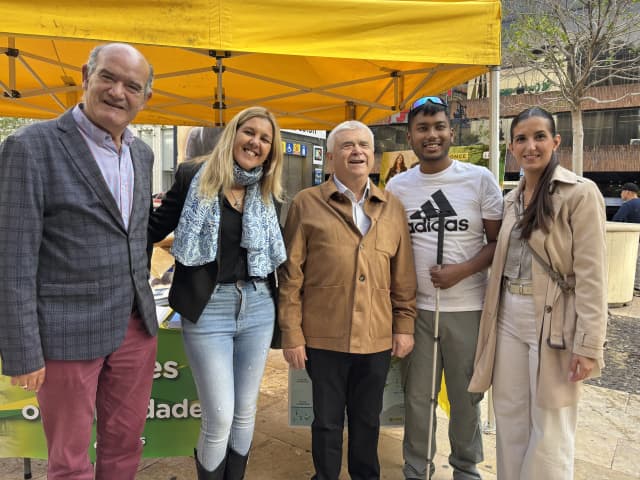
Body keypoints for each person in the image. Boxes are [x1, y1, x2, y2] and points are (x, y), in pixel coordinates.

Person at [0, 43, 157, 479]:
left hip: (135, 326)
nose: (117, 92)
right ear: (86, 76)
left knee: (125, 441)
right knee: (69, 460)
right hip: (65, 330)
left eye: (132, 85)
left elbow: (133, 238)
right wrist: (23, 351)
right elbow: (12, 259)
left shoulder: (141, 155)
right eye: (108, 77)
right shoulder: (30, 147)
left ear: (145, 98)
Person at [469, 107, 608, 479]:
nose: (530, 146)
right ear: (511, 146)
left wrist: (589, 343)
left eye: (539, 137)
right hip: (508, 316)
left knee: (551, 424)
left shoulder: (580, 193)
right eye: (521, 139)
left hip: (554, 320)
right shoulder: (512, 199)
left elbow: (592, 276)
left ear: (555, 142)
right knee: (511, 416)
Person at [148, 106, 285, 479]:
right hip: (209, 308)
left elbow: (278, 256)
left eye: (265, 138)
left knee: (244, 411)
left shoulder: (268, 189)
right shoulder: (194, 174)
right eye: (249, 132)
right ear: (233, 134)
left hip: (258, 304)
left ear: (271, 150)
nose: (255, 142)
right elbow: (154, 227)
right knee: (220, 414)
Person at [278, 120, 417, 480]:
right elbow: (291, 275)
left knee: (368, 421)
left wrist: (404, 326)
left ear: (373, 155)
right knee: (325, 421)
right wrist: (291, 333)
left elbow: (403, 276)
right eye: (347, 146)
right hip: (323, 336)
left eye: (363, 146)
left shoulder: (392, 207)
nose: (357, 152)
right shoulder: (306, 203)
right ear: (329, 157)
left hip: (376, 336)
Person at [386, 96, 503, 480]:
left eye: (438, 127)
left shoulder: (479, 179)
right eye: (422, 128)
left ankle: (466, 469)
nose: (431, 135)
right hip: (416, 311)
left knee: (466, 397)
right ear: (410, 136)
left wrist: (462, 271)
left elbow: (497, 243)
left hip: (467, 308)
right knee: (417, 398)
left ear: (451, 132)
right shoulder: (398, 186)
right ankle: (416, 470)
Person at [612, 182, 640, 295]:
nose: (621, 195)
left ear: (628, 192)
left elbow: (616, 221)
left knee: (634, 262)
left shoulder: (628, 205)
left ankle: (636, 287)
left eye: (622, 192)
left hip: (634, 240)